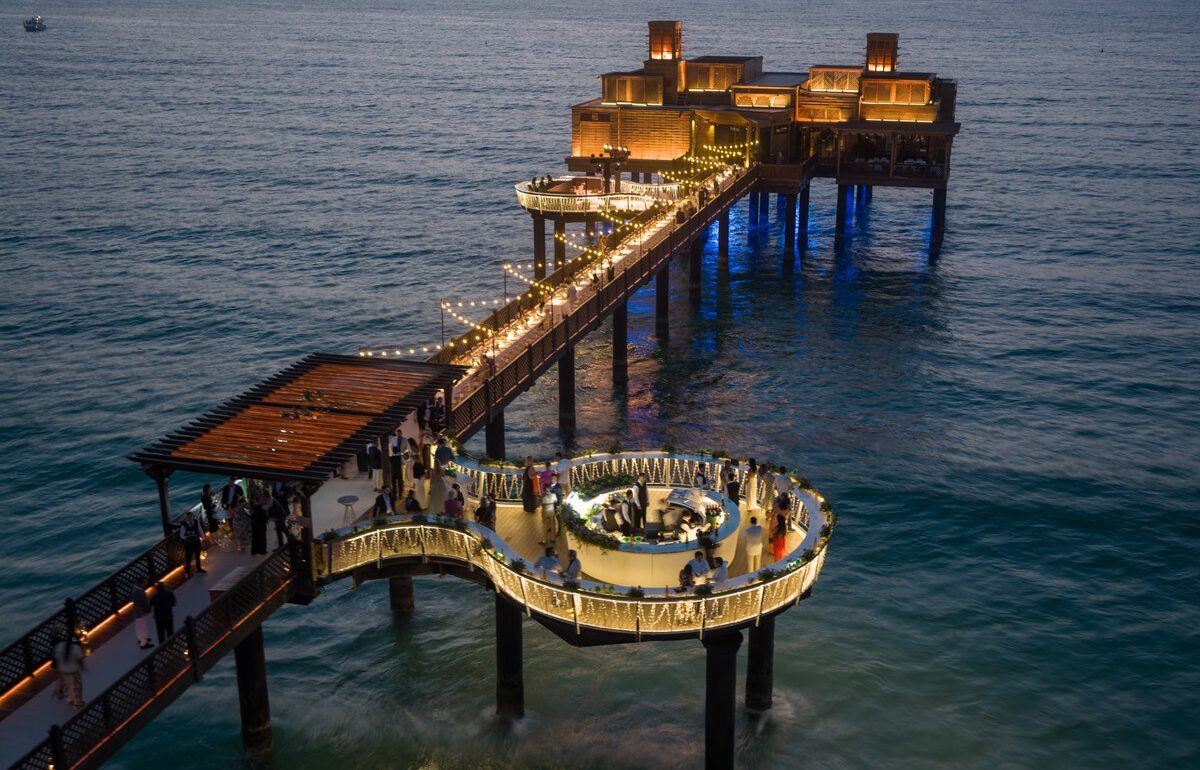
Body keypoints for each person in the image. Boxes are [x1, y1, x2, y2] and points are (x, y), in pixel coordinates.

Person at [52, 634, 86, 708]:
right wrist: (83, 667)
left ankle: (70, 700)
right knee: (76, 686)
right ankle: (78, 703)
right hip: (73, 671)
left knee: (67, 686)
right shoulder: (75, 648)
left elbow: (56, 659)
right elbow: (80, 659)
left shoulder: (59, 647)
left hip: (63, 671)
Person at [179, 509, 206, 578]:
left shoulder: (196, 522)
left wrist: (203, 538)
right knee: (188, 557)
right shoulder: (184, 525)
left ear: (193, 516)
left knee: (197, 555)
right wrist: (186, 538)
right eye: (189, 517)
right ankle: (187, 571)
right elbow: (181, 534)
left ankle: (199, 568)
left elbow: (200, 530)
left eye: (191, 516)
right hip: (189, 543)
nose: (190, 518)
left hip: (196, 541)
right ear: (187, 517)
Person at [130, 578, 153, 649]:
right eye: (144, 583)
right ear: (141, 583)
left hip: (138, 612)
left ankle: (141, 638)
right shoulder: (138, 592)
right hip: (141, 612)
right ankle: (143, 643)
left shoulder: (135, 590)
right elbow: (139, 603)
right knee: (143, 626)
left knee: (139, 626)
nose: (145, 584)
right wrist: (145, 610)